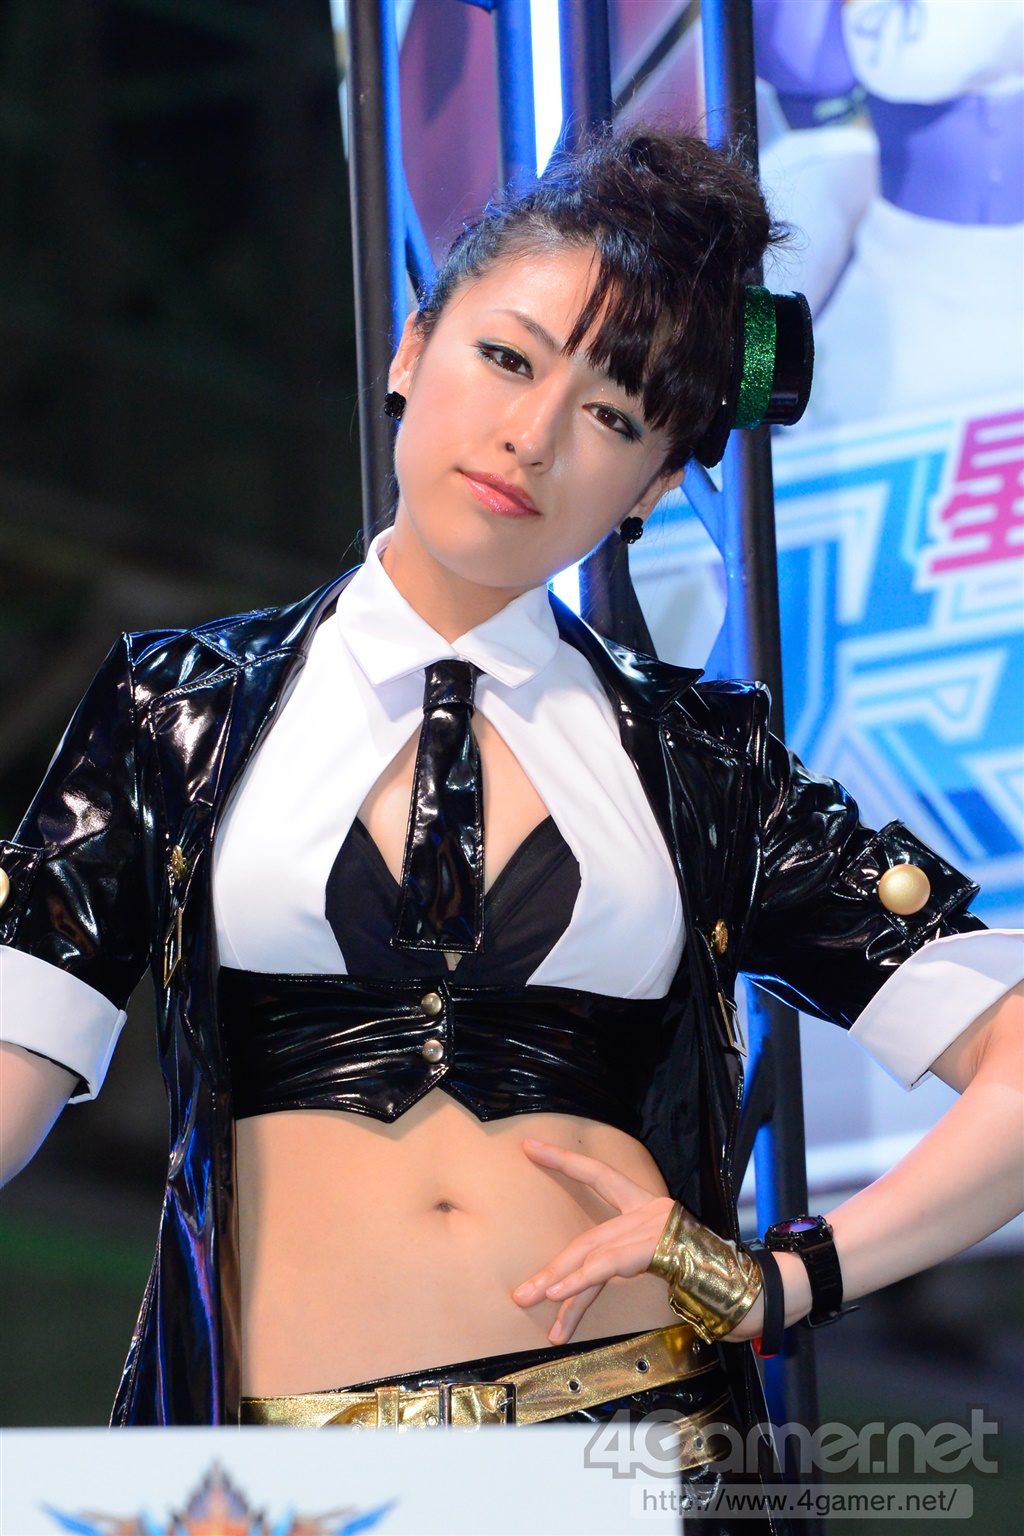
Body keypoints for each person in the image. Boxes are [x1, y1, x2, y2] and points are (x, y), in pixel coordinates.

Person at [0, 128, 1020, 1513]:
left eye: (615, 417)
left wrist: (784, 1279)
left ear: (652, 485)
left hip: (635, 1465)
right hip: (281, 1482)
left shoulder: (705, 763)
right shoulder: (174, 709)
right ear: (411, 348)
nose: (533, 437)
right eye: (507, 358)